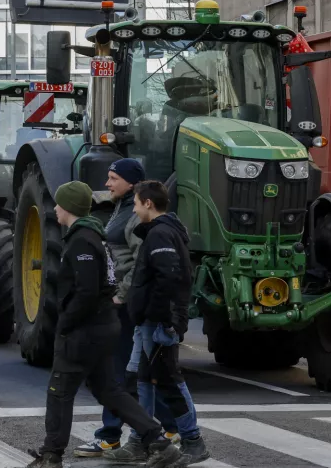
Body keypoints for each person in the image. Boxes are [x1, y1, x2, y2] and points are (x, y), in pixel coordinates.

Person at [26, 181, 182, 468]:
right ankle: (157, 441)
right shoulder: (92, 236)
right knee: (109, 390)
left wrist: (66, 323)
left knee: (59, 391)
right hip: (102, 326)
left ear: (69, 207)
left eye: (59, 204)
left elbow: (86, 290)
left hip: (85, 329)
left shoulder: (82, 240)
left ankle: (51, 456)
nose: (56, 209)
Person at [74, 159, 181, 458]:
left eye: (113, 178)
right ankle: (170, 427)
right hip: (122, 302)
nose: (107, 184)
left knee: (116, 373)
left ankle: (110, 436)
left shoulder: (133, 217)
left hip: (125, 305)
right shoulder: (121, 209)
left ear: (130, 183)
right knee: (136, 374)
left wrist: (120, 295)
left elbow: (138, 261)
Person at [106, 180, 209, 465]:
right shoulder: (160, 232)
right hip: (149, 322)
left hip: (156, 323)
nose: (135, 210)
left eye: (137, 204)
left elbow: (169, 279)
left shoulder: (160, 235)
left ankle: (193, 440)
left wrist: (164, 319)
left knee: (167, 380)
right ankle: (141, 440)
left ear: (148, 203)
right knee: (141, 381)